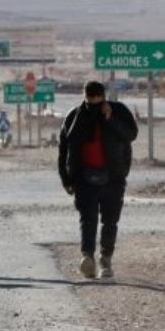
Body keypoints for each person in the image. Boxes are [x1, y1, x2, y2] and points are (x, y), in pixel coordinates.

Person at [58, 81, 137, 279]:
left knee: (110, 221)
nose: (92, 105)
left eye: (96, 101)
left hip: (113, 177)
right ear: (84, 96)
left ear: (103, 96)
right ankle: (88, 258)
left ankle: (106, 260)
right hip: (84, 178)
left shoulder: (117, 111)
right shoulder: (75, 116)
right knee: (88, 218)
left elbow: (130, 134)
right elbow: (64, 149)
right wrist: (66, 178)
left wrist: (109, 119)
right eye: (89, 101)